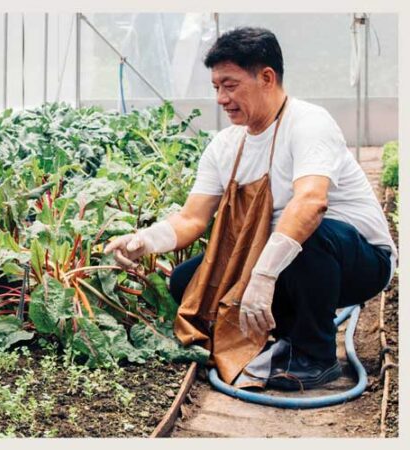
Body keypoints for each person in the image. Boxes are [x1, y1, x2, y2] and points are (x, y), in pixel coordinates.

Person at [105, 27, 396, 391]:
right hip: (285, 261)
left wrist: (262, 277)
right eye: (215, 88)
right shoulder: (226, 145)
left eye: (230, 85)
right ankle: (283, 333)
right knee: (188, 282)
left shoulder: (308, 123)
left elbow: (311, 202)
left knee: (308, 232)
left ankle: (315, 356)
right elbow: (192, 218)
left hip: (358, 262)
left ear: (266, 78)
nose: (221, 98)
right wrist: (144, 241)